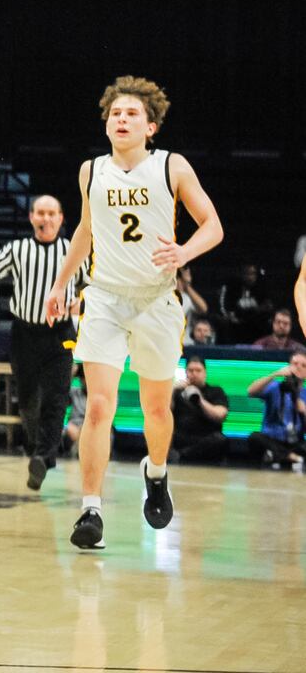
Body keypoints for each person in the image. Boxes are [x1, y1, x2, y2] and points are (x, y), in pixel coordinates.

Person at [44, 76, 223, 551]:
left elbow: (213, 226)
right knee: (99, 405)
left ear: (151, 126)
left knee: (156, 409)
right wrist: (61, 283)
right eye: (115, 113)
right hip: (103, 296)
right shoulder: (91, 171)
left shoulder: (171, 166)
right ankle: (90, 510)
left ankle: (156, 472)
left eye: (131, 114)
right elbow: (85, 228)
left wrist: (183, 253)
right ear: (106, 123)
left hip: (156, 298)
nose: (121, 119)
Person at [0, 195, 83, 490]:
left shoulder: (74, 249)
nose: (45, 218)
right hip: (24, 332)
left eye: (51, 213)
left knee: (57, 396)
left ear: (61, 218)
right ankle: (38, 450)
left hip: (60, 333)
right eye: (40, 213)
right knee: (28, 398)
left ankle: (44, 455)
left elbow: (92, 288)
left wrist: (77, 303)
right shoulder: (17, 249)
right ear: (31, 217)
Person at [246, 353, 306, 468]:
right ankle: (292, 458)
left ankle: (276, 456)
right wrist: (274, 374)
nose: (298, 367)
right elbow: (250, 391)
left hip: (295, 442)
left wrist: (304, 411)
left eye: (304, 366)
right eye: (295, 364)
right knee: (255, 437)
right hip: (271, 440)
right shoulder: (274, 386)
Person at [169, 356, 228, 463]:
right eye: (191, 370)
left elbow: (220, 415)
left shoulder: (216, 391)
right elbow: (163, 413)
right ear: (186, 372)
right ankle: (182, 455)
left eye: (198, 370)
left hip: (206, 439)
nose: (194, 374)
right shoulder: (177, 392)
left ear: (205, 373)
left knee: (220, 439)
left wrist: (199, 399)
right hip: (182, 438)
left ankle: (183, 456)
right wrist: (172, 391)